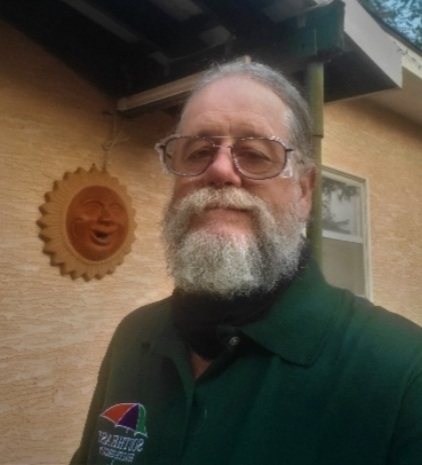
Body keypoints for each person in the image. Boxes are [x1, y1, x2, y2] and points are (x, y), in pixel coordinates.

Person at [70, 60, 422, 465]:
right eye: (198, 152)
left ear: (305, 191)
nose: (220, 170)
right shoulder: (135, 337)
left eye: (254, 154)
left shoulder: (403, 373)